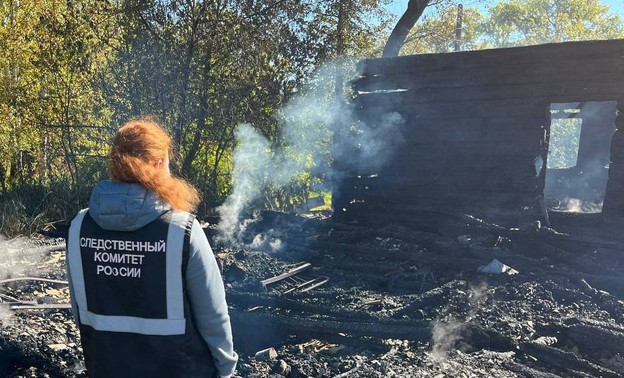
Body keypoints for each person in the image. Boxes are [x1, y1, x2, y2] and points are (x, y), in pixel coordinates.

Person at [66, 119, 238, 378]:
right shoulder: (182, 230)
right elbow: (212, 313)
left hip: (106, 366)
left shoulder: (79, 226)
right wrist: (226, 368)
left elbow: (80, 308)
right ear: (158, 164)